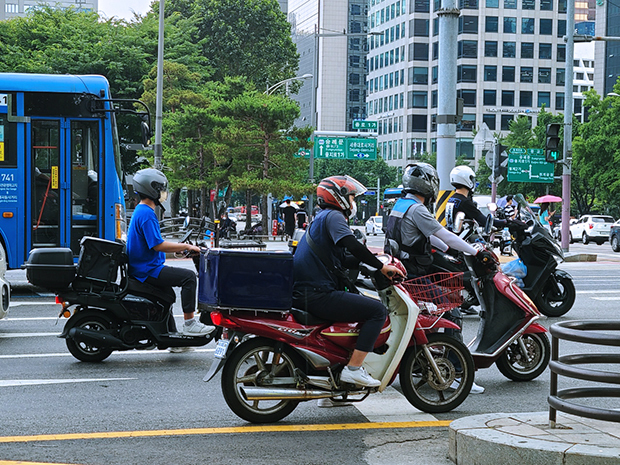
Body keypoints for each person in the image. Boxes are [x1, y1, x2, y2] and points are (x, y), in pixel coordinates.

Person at [384, 163, 494, 394]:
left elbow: (426, 237)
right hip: (413, 275)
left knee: (434, 313)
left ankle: (426, 359)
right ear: (428, 184)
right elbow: (442, 233)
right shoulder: (417, 209)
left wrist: (449, 248)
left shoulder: (400, 206)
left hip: (401, 272)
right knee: (451, 309)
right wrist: (475, 252)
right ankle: (457, 371)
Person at [292, 175, 405, 391]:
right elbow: (352, 245)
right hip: (318, 293)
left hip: (309, 291)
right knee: (377, 311)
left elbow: (343, 258)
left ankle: (333, 381)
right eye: (352, 197)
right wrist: (381, 266)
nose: (353, 203)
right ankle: (353, 370)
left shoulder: (321, 217)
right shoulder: (334, 217)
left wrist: (371, 261)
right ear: (339, 197)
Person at [126, 168, 215, 341]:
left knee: (166, 296)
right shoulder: (146, 214)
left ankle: (172, 337)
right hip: (147, 271)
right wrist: (186, 246)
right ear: (151, 190)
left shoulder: (141, 211)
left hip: (144, 267)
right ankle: (189, 324)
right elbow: (158, 245)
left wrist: (179, 249)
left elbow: (152, 244)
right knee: (188, 277)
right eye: (161, 189)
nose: (163, 193)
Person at [445, 166, 509, 233]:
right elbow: (484, 221)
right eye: (472, 179)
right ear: (466, 179)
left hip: (452, 237)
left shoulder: (452, 199)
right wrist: (506, 222)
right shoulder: (465, 202)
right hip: (461, 239)